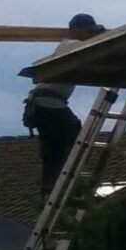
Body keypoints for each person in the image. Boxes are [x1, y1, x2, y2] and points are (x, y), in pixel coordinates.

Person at [24, 12, 104, 195]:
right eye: (87, 31)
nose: (90, 35)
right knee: (74, 131)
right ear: (75, 30)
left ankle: (51, 186)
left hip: (44, 104)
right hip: (49, 102)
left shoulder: (75, 46)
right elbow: (93, 46)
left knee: (53, 148)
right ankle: (66, 179)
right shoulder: (71, 45)